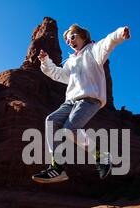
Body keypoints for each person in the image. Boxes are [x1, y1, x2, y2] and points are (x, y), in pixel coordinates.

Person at [32, 24, 131, 184]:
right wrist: (45, 61)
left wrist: (120, 33)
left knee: (70, 129)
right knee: (51, 121)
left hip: (89, 99)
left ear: (83, 36)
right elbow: (58, 74)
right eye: (66, 40)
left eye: (72, 37)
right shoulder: (70, 62)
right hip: (70, 101)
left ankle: (101, 156)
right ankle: (57, 167)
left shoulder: (94, 51)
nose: (70, 41)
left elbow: (108, 42)